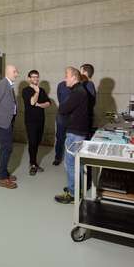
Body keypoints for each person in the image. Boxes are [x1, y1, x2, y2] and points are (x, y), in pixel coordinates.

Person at [54, 67, 89, 204]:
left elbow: (63, 108)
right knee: (76, 163)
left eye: (67, 76)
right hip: (79, 132)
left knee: (70, 163)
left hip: (75, 133)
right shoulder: (79, 90)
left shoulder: (77, 92)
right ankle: (76, 188)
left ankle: (73, 193)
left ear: (74, 77)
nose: (65, 79)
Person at [0, 65, 19, 189]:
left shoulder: (9, 84)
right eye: (15, 71)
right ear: (7, 72)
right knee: (6, 148)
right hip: (3, 122)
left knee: (7, 148)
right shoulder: (3, 84)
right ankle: (2, 178)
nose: (17, 73)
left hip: (7, 120)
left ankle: (5, 173)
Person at [22, 70, 51, 175]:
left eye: (37, 77)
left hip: (41, 120)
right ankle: (33, 164)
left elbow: (48, 103)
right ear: (29, 78)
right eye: (33, 77)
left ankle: (34, 161)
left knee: (37, 142)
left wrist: (40, 105)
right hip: (30, 121)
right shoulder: (26, 90)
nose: (36, 79)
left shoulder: (42, 90)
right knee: (32, 142)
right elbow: (32, 102)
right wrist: (37, 92)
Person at [53, 79, 71, 165]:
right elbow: (59, 98)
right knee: (60, 137)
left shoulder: (78, 86)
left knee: (72, 138)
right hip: (62, 115)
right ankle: (58, 157)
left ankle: (71, 159)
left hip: (73, 116)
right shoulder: (61, 85)